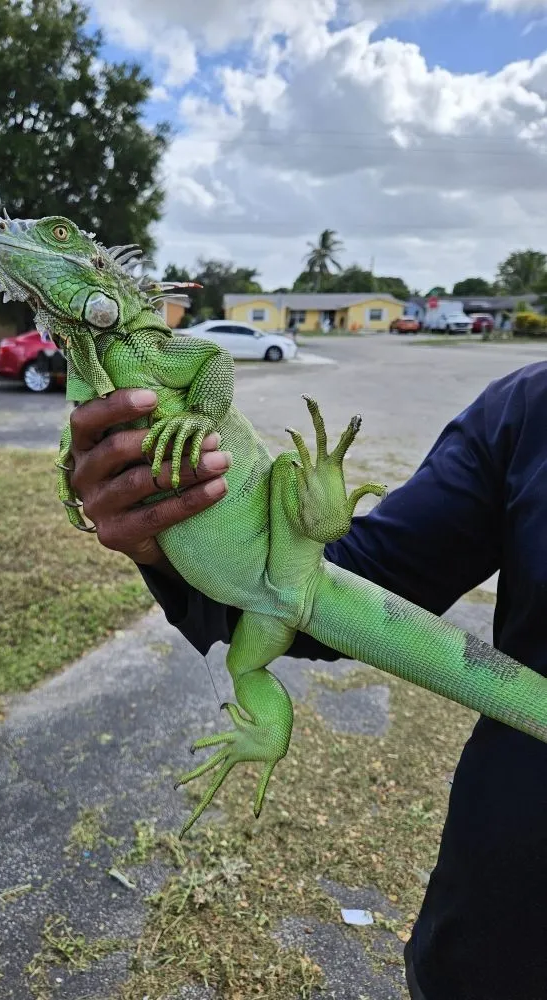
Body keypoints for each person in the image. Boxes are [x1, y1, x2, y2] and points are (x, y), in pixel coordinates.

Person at [67, 361, 547, 1000]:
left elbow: (211, 370)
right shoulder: (526, 410)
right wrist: (163, 534)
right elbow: (333, 586)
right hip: (496, 927)